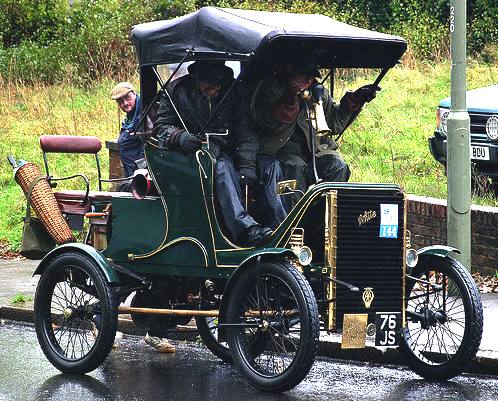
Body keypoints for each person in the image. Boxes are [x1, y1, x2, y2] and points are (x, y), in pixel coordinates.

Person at [155, 60, 285, 245]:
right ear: (196, 78)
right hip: (193, 156)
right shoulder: (176, 91)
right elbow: (161, 128)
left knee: (270, 165)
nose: (215, 89)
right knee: (221, 165)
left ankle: (281, 225)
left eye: (218, 84)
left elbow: (245, 128)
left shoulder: (232, 91)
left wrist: (247, 164)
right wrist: (180, 137)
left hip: (232, 151)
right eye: (209, 85)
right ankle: (245, 230)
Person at [252, 61, 379, 211]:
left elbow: (333, 124)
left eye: (311, 78)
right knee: (294, 166)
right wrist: (289, 99)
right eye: (304, 77)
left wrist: (352, 102)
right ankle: (293, 225)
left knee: (338, 166)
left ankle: (324, 219)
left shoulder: (317, 91)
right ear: (290, 72)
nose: (308, 81)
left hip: (314, 151)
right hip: (281, 149)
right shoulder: (272, 89)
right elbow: (268, 122)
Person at [110, 82, 145, 179]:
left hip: (141, 172)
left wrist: (140, 171)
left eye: (127, 98)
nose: (125, 103)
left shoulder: (143, 112)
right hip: (131, 170)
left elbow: (147, 145)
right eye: (120, 101)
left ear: (134, 93)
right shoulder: (131, 114)